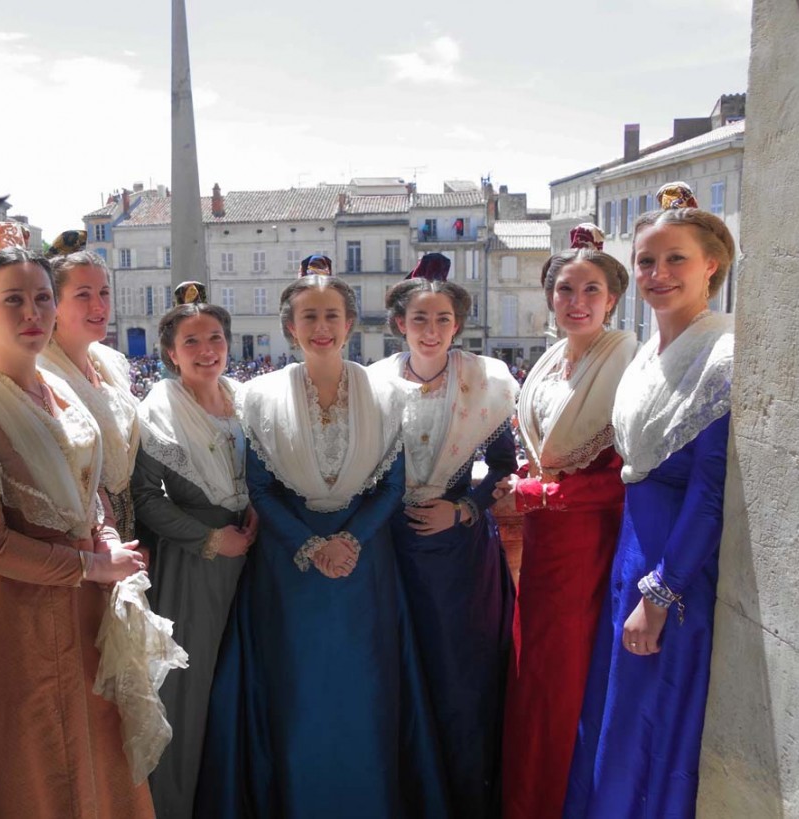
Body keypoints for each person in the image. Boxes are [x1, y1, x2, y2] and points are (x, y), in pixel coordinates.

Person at [196, 267, 449, 819]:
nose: (321, 326)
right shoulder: (259, 396)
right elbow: (260, 488)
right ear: (290, 327)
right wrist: (311, 547)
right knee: (298, 700)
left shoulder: (387, 393)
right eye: (308, 316)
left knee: (365, 698)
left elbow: (393, 486)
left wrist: (350, 542)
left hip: (365, 571)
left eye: (331, 314)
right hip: (289, 574)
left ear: (351, 323)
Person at [0, 244, 156, 818]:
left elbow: (89, 493)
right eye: (13, 300)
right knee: (48, 755)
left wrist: (109, 541)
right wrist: (93, 565)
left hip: (88, 600)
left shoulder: (59, 388)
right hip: (23, 613)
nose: (32, 313)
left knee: (101, 745)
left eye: (42, 298)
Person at [564, 183, 735, 817]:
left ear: (711, 265)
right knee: (617, 718)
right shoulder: (644, 356)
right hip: (628, 558)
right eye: (646, 261)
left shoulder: (723, 354)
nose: (657, 274)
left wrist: (660, 594)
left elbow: (710, 494)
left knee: (651, 726)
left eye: (675, 259)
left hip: (670, 570)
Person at [493, 224, 637, 819]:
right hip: (543, 544)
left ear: (612, 299)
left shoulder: (626, 361)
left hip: (586, 545)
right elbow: (538, 452)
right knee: (533, 672)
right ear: (549, 297)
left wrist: (537, 494)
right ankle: (524, 793)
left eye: (592, 290)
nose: (577, 302)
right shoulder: (552, 361)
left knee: (563, 675)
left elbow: (627, 480)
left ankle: (554, 801)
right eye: (565, 290)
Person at [371, 252, 518, 818]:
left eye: (442, 320)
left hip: (459, 557)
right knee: (403, 672)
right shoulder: (373, 383)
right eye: (419, 320)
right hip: (393, 549)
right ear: (400, 325)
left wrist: (462, 509)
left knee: (461, 675)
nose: (431, 331)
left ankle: (466, 792)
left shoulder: (486, 381)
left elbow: (504, 463)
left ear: (457, 325)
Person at [132, 282, 257, 819]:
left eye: (215, 337)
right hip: (197, 564)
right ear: (170, 352)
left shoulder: (246, 399)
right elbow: (144, 498)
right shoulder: (159, 408)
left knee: (244, 680)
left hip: (253, 553)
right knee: (189, 691)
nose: (207, 349)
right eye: (192, 341)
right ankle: (176, 806)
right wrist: (209, 539)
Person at [38, 244, 141, 542]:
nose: (99, 306)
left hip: (130, 524)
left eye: (104, 292)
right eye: (83, 294)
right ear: (53, 304)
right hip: (87, 535)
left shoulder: (110, 362)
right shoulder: (42, 374)